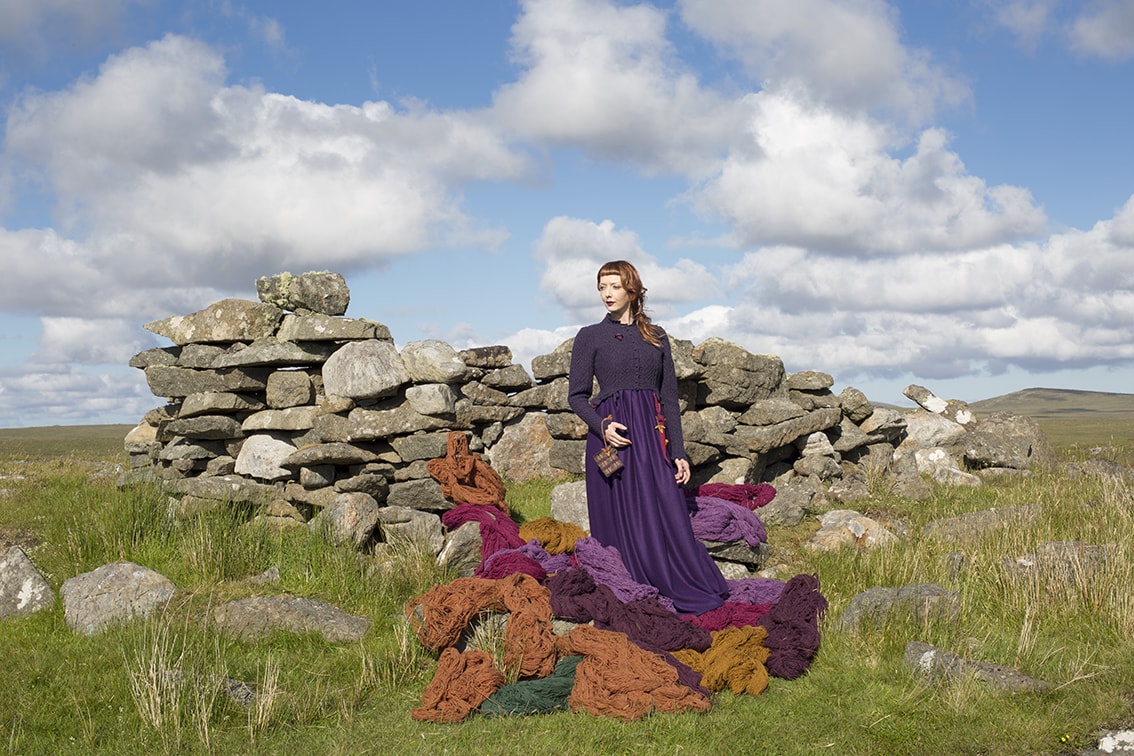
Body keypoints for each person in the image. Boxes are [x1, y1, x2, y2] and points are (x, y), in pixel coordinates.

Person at [567, 260, 729, 615]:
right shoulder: (589, 336)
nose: (607, 294)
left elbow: (668, 398)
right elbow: (576, 396)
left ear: (632, 289)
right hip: (612, 440)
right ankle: (629, 581)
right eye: (602, 287)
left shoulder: (656, 336)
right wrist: (602, 427)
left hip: (651, 438)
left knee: (666, 509)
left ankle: (675, 579)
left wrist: (680, 453)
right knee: (620, 518)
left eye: (614, 286)